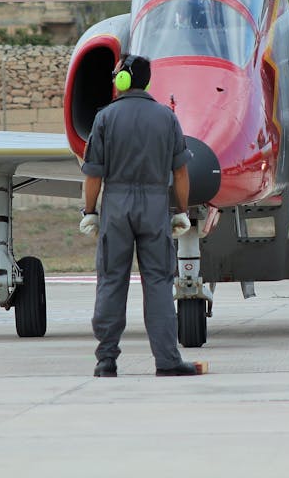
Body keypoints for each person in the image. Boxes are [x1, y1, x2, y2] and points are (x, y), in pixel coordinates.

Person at [79, 54, 198, 377]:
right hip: (155, 205)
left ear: (123, 80)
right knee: (159, 282)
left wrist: (90, 211)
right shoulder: (167, 117)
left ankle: (106, 360)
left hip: (116, 206)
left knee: (111, 281)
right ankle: (167, 361)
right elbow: (181, 173)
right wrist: (182, 211)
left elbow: (93, 175)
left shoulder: (105, 118)